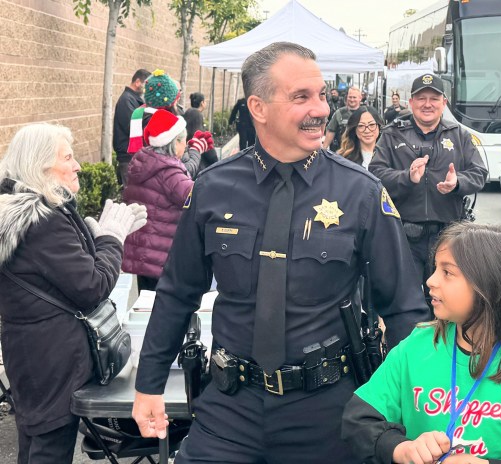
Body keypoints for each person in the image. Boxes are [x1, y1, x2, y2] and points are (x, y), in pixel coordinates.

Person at [131, 41, 430, 464]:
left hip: (329, 414)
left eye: (322, 95)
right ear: (259, 106)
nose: (321, 109)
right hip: (229, 410)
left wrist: (402, 407)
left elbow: (404, 308)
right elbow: (178, 291)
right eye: (301, 97)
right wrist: (149, 384)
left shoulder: (360, 192)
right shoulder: (214, 188)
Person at [342, 222, 501, 464]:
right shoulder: (417, 347)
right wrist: (402, 449)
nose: (430, 280)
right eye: (435, 268)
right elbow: (359, 420)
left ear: (491, 287)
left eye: (447, 272)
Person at [0, 123, 146, 464]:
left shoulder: (26, 215)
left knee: (35, 440)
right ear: (40, 167)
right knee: (50, 448)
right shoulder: (43, 221)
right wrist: (111, 236)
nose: (78, 165)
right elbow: (92, 286)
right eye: (68, 157)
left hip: (31, 353)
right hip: (53, 358)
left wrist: (93, 235)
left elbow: (58, 273)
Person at [369, 73, 487, 305]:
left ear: (444, 103)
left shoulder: (459, 135)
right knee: (406, 303)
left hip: (449, 237)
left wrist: (457, 183)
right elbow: (375, 174)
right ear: (411, 102)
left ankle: (443, 341)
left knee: (448, 302)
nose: (427, 104)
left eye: (434, 98)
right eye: (421, 98)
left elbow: (480, 174)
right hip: (405, 237)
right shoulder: (393, 134)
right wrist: (407, 177)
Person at [122, 109, 195, 292]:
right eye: (183, 140)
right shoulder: (168, 171)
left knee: (145, 305)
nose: (185, 145)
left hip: (142, 252)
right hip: (160, 254)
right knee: (162, 308)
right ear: (174, 142)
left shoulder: (143, 162)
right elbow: (194, 197)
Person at [128, 69, 214, 179]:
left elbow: (134, 154)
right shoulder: (169, 127)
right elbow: (181, 172)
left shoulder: (137, 115)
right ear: (170, 102)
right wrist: (196, 150)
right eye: (176, 99)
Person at [113, 68, 150, 187]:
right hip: (128, 156)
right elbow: (133, 127)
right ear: (137, 82)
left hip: (133, 155)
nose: (147, 89)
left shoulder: (133, 99)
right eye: (146, 85)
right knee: (133, 194)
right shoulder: (127, 100)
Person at [324, 86, 362, 152]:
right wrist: (324, 149)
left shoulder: (366, 113)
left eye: (354, 97)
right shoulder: (339, 113)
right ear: (347, 98)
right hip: (341, 151)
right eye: (350, 97)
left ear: (360, 98)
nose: (352, 99)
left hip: (360, 151)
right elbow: (330, 130)